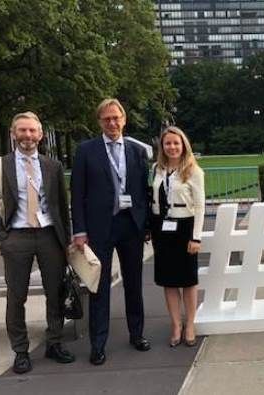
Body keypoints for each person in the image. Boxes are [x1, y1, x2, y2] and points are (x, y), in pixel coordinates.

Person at [0, 112, 75, 374]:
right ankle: (21, 351)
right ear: (14, 134)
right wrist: (2, 238)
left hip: (49, 236)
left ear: (40, 135)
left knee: (55, 294)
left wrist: (66, 240)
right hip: (17, 238)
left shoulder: (52, 166)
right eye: (22, 131)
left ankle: (54, 342)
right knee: (16, 297)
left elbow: (60, 205)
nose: (27, 136)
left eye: (32, 131)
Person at [71, 99, 151, 365]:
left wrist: (146, 224)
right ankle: (98, 344)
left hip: (131, 226)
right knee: (99, 286)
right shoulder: (85, 151)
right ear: (99, 122)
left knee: (134, 283)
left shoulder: (137, 151)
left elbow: (144, 191)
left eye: (116, 118)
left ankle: (137, 334)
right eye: (106, 119)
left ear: (124, 119)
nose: (112, 123)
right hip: (99, 228)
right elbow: (77, 194)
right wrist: (79, 230)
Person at [150, 126, 204, 347]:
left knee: (188, 280)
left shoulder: (194, 171)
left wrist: (196, 237)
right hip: (161, 228)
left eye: (176, 143)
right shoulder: (157, 169)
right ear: (162, 147)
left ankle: (190, 323)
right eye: (167, 143)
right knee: (169, 281)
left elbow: (200, 206)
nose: (172, 147)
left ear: (183, 145)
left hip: (184, 228)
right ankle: (175, 324)